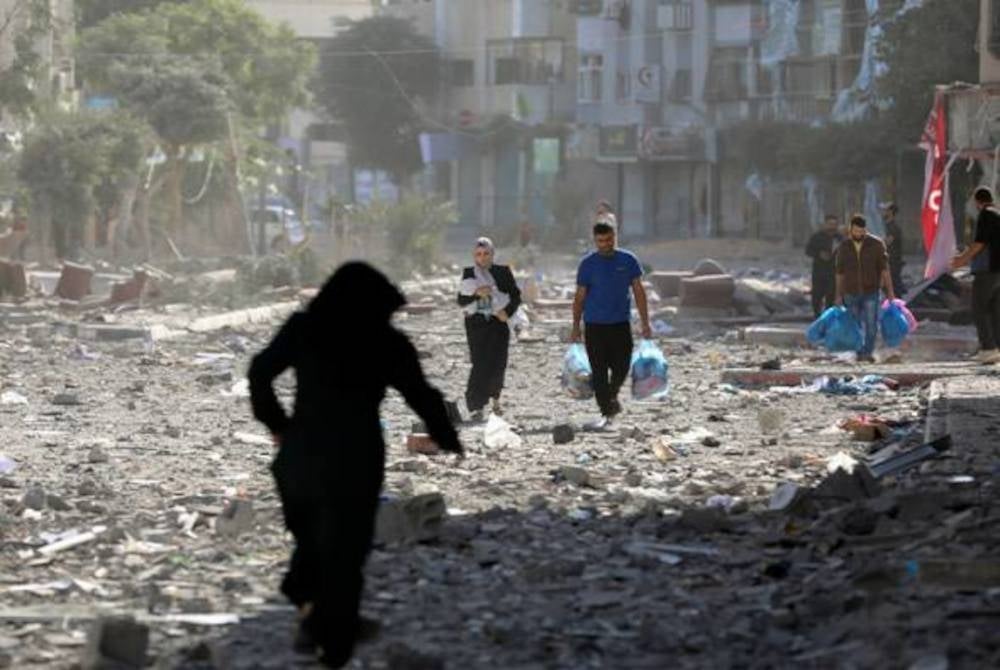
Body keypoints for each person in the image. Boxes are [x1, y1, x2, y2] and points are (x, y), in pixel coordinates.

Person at [248, 262, 464, 668]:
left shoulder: (302, 328)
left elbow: (259, 372)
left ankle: (316, 615)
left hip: (302, 455)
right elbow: (420, 394)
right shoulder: (386, 341)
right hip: (356, 457)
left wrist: (278, 425)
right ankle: (333, 636)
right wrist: (448, 437)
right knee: (346, 550)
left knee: (312, 539)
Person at [571, 219, 652, 428]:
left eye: (608, 240)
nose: (605, 244)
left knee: (622, 367)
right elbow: (579, 297)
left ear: (615, 236)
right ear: (595, 240)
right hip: (594, 326)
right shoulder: (588, 264)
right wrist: (575, 326)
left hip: (620, 324)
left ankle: (612, 395)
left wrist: (645, 322)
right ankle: (607, 411)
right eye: (600, 241)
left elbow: (639, 292)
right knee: (598, 371)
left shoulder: (628, 260)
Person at [457, 237, 522, 420]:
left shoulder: (502, 272)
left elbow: (516, 296)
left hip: (498, 323)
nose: (483, 257)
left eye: (486, 253)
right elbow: (461, 300)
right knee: (480, 364)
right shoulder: (469, 273)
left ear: (492, 254)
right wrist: (477, 294)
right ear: (474, 256)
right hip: (477, 324)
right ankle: (476, 406)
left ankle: (495, 400)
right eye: (479, 254)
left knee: (498, 363)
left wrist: (507, 312)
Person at [835, 214, 895, 363]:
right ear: (850, 229)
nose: (859, 234)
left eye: (861, 231)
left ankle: (867, 352)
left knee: (871, 324)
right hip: (850, 291)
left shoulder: (876, 244)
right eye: (856, 231)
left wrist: (890, 292)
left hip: (871, 291)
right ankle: (858, 351)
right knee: (854, 325)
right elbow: (839, 273)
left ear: (865, 230)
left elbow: (885, 270)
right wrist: (838, 294)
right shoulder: (844, 246)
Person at [951, 186, 1000, 364]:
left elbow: (980, 244)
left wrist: (961, 260)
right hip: (997, 273)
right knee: (995, 311)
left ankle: (988, 348)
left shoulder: (985, 215)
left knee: (979, 309)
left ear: (978, 202)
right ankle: (995, 347)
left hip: (986, 271)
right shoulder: (997, 214)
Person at [805, 215, 842, 318]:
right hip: (819, 272)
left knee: (831, 298)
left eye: (834, 225)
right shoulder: (817, 237)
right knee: (816, 297)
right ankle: (817, 317)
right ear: (825, 225)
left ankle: (828, 319)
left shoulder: (840, 238)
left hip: (834, 273)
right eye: (830, 224)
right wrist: (819, 254)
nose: (832, 227)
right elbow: (808, 251)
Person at [883, 203, 906, 294]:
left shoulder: (894, 228)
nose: (883, 212)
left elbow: (887, 242)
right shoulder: (886, 226)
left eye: (885, 210)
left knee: (894, 288)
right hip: (887, 262)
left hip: (893, 263)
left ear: (890, 212)